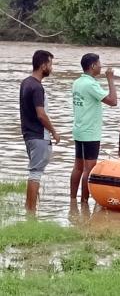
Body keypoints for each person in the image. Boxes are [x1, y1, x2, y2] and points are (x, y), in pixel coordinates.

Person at [70, 53, 117, 203]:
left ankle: (72, 199)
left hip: (79, 129)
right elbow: (113, 101)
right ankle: (84, 201)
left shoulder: (77, 82)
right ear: (92, 66)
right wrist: (110, 79)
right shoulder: (91, 84)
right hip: (90, 132)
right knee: (88, 169)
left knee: (78, 166)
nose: (101, 66)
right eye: (99, 63)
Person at [19, 50, 60, 212]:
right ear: (43, 65)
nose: (51, 68)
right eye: (50, 64)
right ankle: (31, 211)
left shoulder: (25, 82)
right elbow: (41, 115)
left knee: (33, 172)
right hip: (38, 135)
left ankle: (29, 208)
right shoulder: (37, 87)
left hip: (28, 134)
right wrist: (54, 131)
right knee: (35, 173)